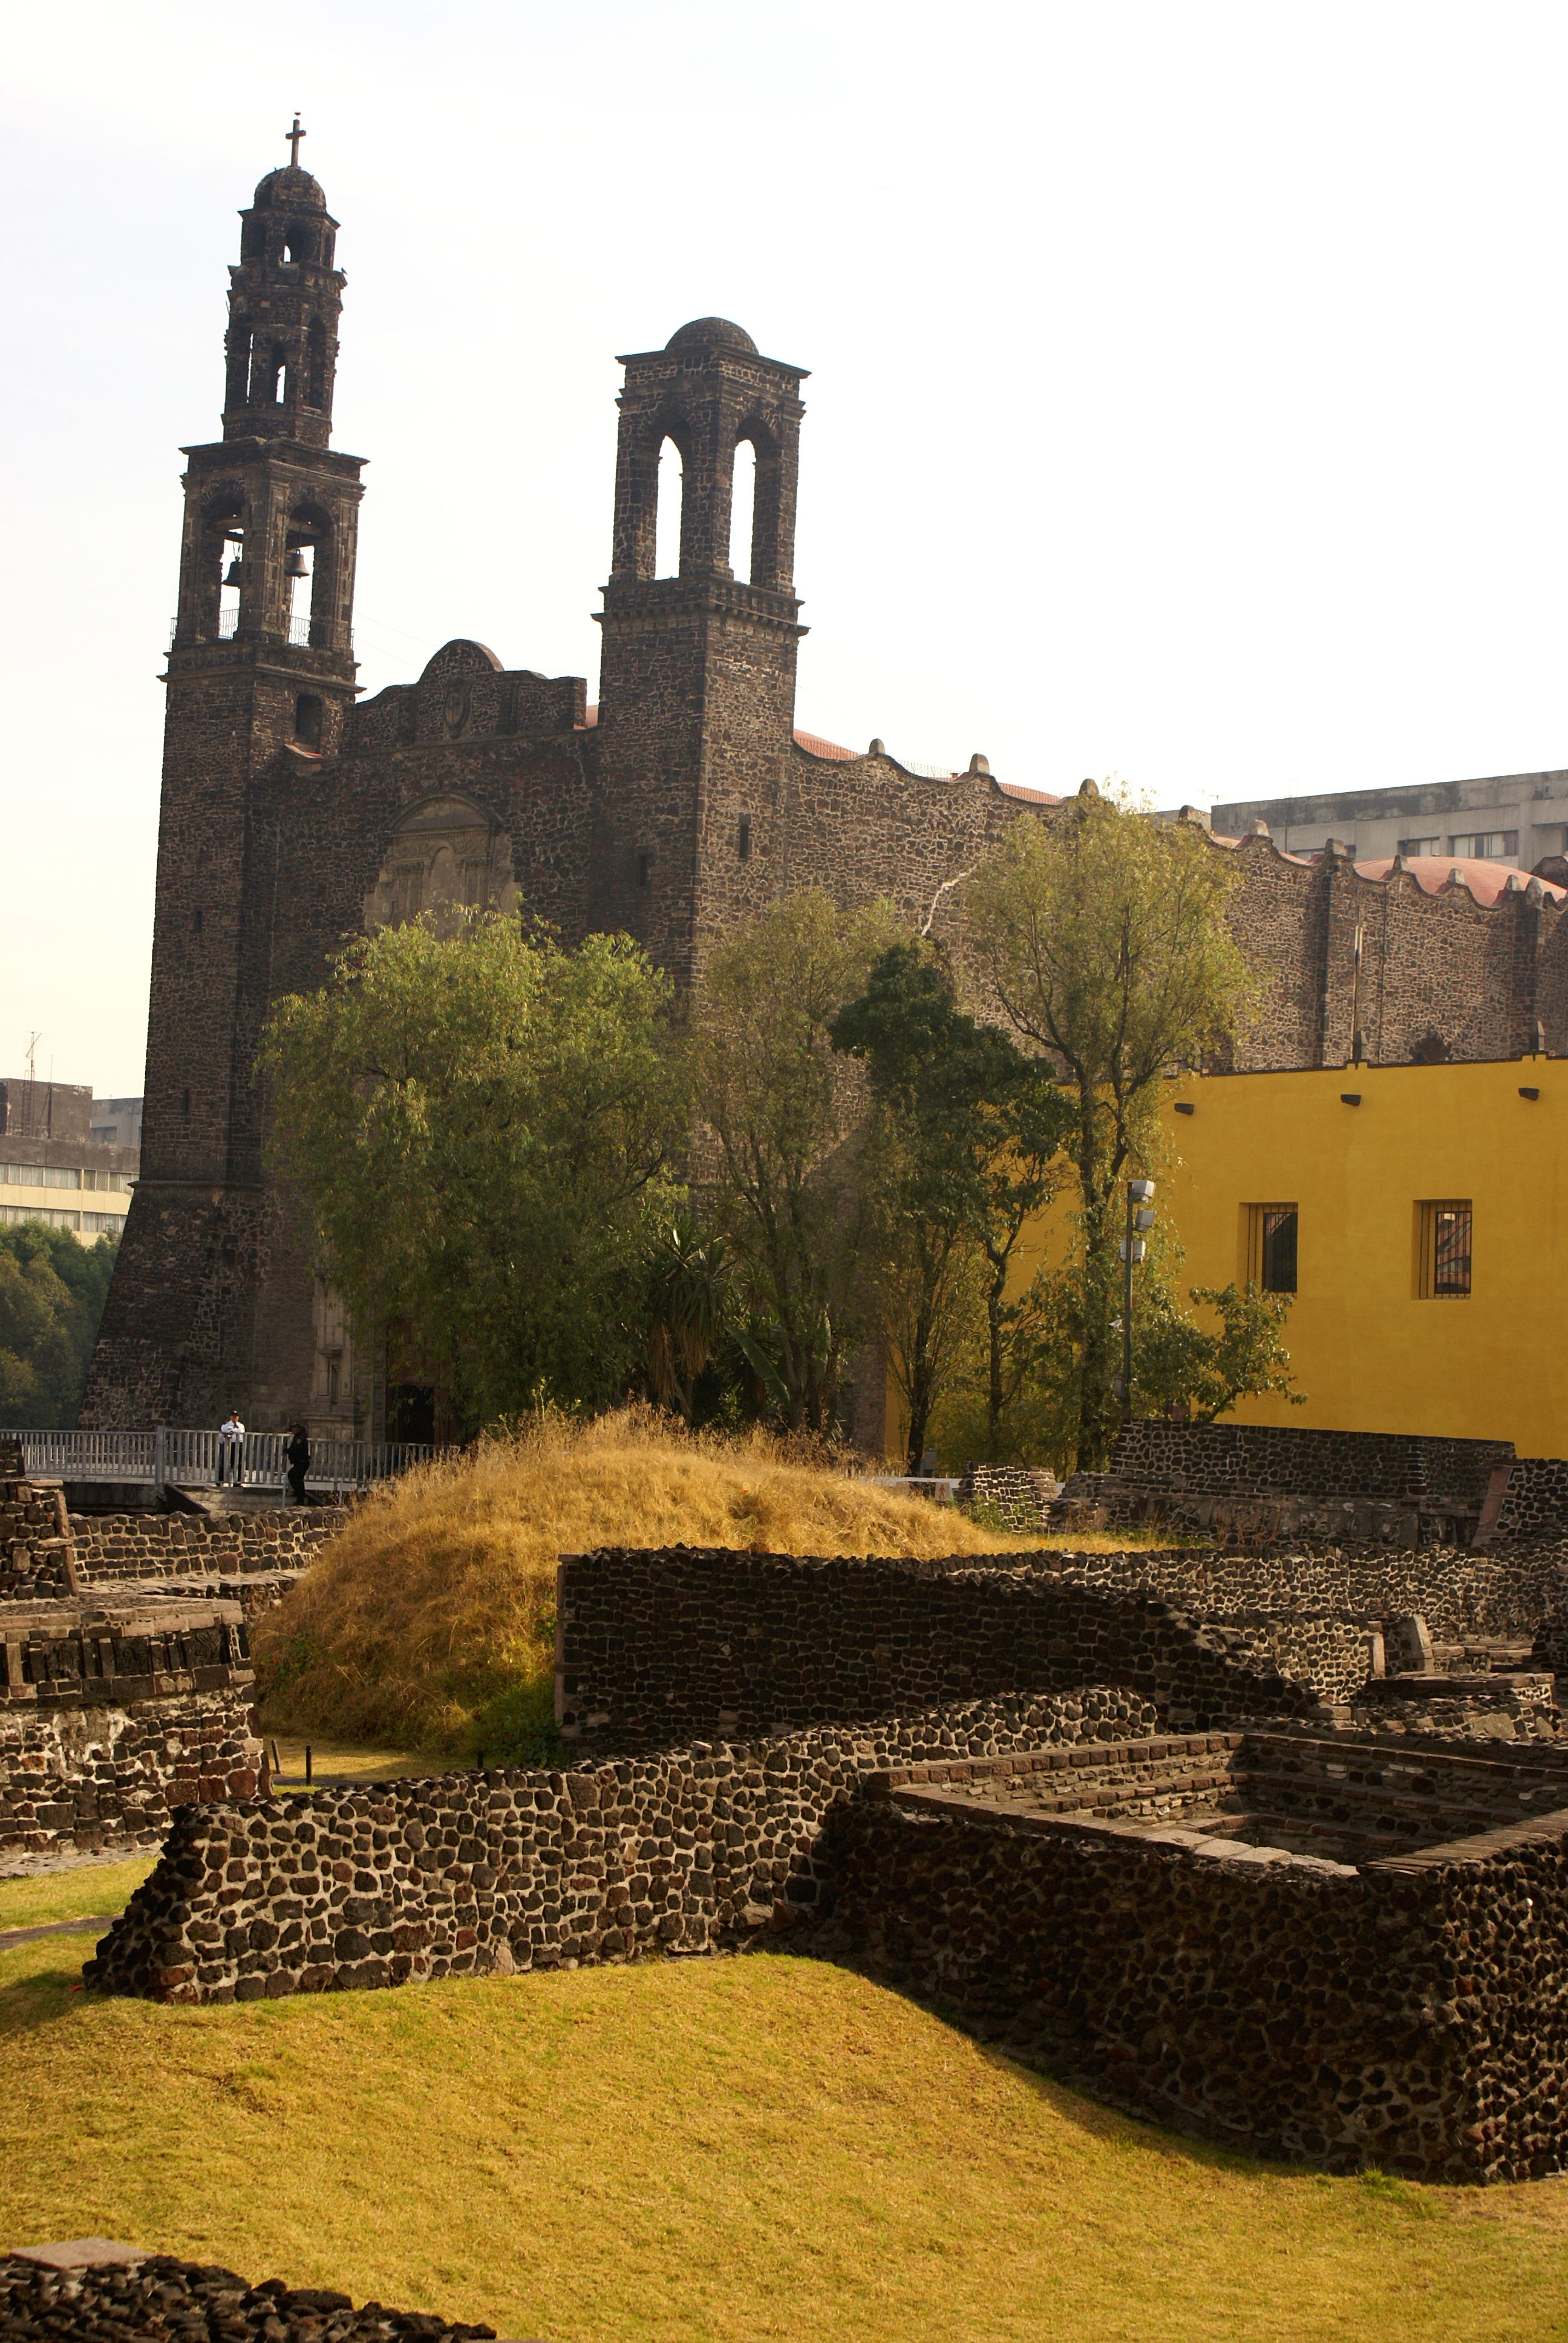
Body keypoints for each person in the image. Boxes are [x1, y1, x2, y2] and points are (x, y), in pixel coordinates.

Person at [217, 1409, 246, 1487]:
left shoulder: (241, 1426)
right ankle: (221, 1480)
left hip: (239, 1444)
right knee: (225, 1462)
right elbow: (222, 1436)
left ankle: (238, 1481)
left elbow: (241, 1434)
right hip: (229, 1444)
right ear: (230, 1417)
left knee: (238, 1463)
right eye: (233, 1416)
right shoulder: (226, 1426)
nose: (235, 1418)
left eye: (236, 1416)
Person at [286, 1420, 311, 1506]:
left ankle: (301, 1498)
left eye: (295, 1428)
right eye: (292, 1428)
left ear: (299, 1429)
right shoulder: (298, 1437)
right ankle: (299, 1495)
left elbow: (296, 1449)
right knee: (294, 1477)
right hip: (299, 1463)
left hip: (302, 1462)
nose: (293, 1430)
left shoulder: (300, 1438)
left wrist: (287, 1451)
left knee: (296, 1478)